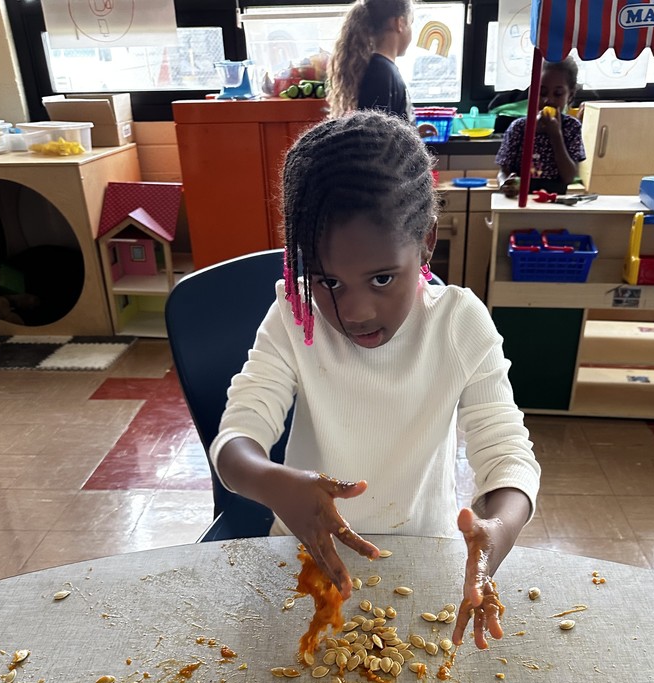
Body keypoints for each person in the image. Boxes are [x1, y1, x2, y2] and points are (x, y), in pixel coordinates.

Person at [211, 112, 540, 649]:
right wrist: (277, 486)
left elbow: (508, 456)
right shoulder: (295, 317)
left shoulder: (458, 324)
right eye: (327, 280)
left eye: (382, 278)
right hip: (305, 557)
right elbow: (235, 441)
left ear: (427, 243)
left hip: (425, 557)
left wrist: (497, 530)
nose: (355, 311)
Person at [496, 56, 586, 195]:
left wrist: (556, 135)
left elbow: (569, 177)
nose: (548, 100)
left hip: (554, 204)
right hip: (520, 201)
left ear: (570, 96)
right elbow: (503, 171)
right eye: (542, 92)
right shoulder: (519, 127)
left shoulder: (571, 128)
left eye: (558, 94)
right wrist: (504, 184)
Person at [327, 0, 414, 119]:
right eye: (410, 23)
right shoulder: (381, 73)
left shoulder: (384, 69)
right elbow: (375, 134)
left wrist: (413, 131)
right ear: (399, 23)